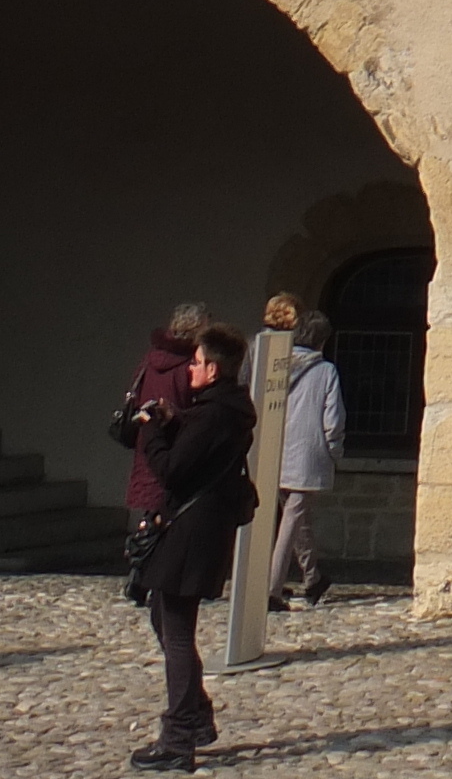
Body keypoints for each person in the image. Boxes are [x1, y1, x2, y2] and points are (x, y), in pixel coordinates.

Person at [128, 323, 255, 774]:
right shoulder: (225, 411)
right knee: (164, 617)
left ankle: (179, 738)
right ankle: (196, 716)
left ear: (215, 369)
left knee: (177, 631)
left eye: (198, 362)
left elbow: (176, 472)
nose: (192, 368)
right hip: (201, 528)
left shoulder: (213, 415)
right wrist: (175, 419)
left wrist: (153, 433)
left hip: (190, 533)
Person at [267, 309, 344, 609]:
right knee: (291, 522)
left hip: (277, 451)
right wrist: (335, 450)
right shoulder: (325, 372)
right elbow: (333, 418)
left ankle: (313, 577)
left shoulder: (275, 368)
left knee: (297, 518)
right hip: (307, 454)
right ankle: (271, 589)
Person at [113, 304, 209, 539]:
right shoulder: (191, 367)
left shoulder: (150, 359)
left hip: (146, 447)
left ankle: (143, 566)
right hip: (176, 455)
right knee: (171, 529)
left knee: (150, 525)